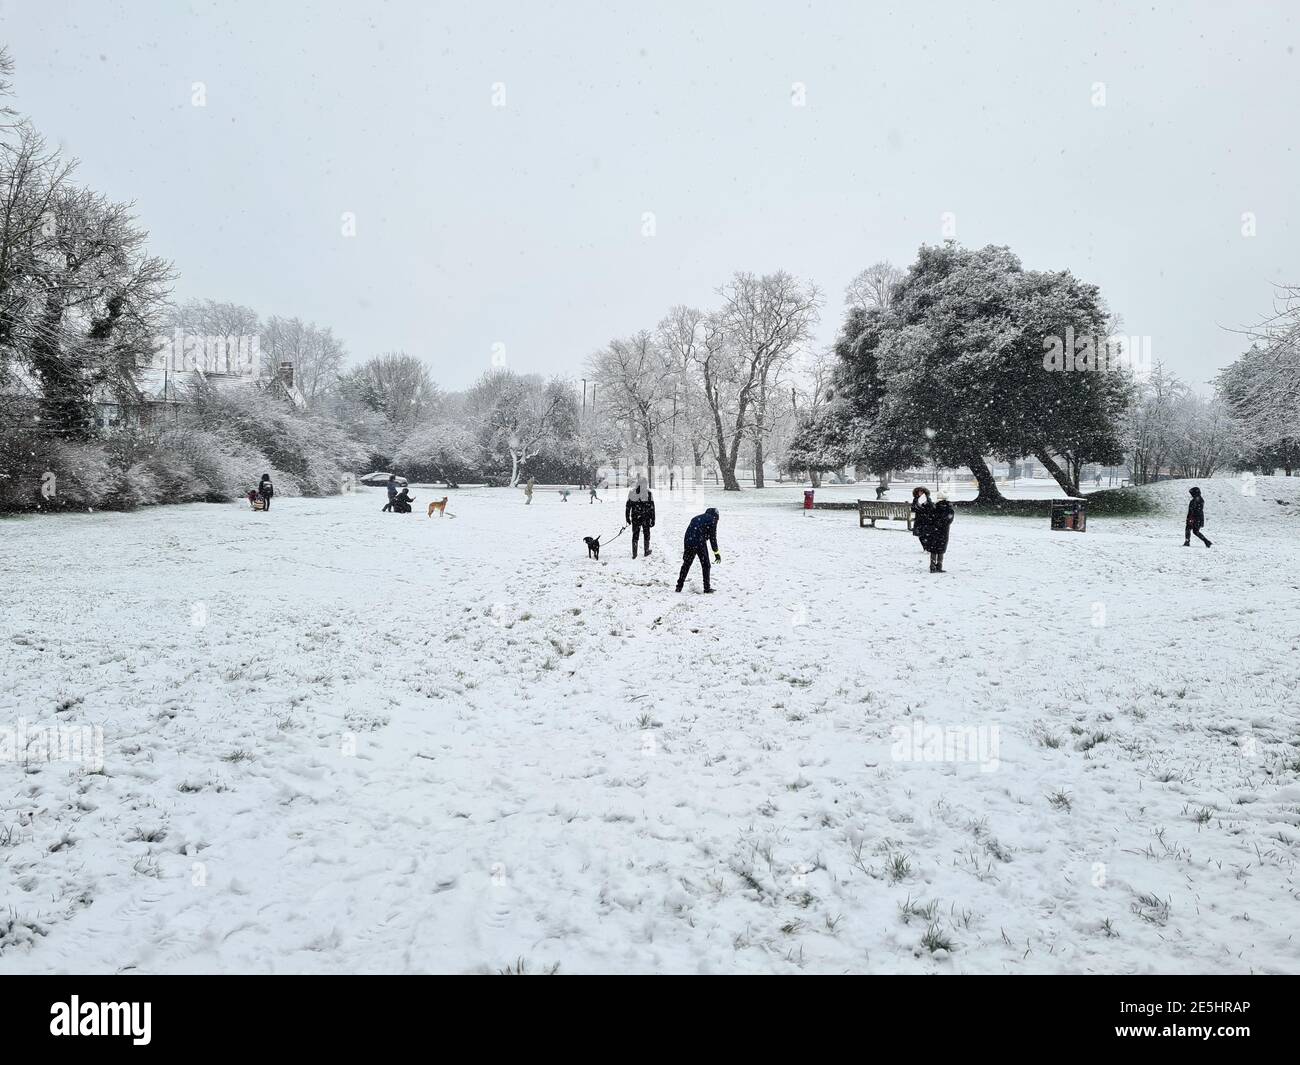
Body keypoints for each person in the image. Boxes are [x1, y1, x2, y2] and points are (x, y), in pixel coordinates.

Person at [676, 507, 720, 593]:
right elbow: (713, 538)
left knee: (686, 564)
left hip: (688, 541)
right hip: (699, 542)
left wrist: (687, 547)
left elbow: (688, 532)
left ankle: (679, 586)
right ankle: (707, 588)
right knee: (706, 565)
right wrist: (716, 553)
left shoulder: (696, 518)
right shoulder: (712, 520)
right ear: (716, 517)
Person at [625, 474, 656, 558]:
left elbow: (628, 506)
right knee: (646, 534)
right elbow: (652, 508)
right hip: (646, 517)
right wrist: (653, 519)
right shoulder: (649, 493)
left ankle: (634, 554)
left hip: (635, 517)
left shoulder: (632, 493)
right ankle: (646, 551)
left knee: (635, 535)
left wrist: (627, 517)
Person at [923, 491, 955, 572]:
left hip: (934, 531)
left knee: (933, 549)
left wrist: (935, 524)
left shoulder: (934, 508)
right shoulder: (949, 509)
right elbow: (949, 520)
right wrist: (942, 524)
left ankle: (932, 566)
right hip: (944, 532)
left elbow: (929, 519)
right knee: (941, 549)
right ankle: (939, 566)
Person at [910, 487, 933, 553]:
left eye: (922, 492)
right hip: (918, 519)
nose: (920, 493)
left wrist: (925, 504)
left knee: (926, 534)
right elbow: (913, 509)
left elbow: (931, 508)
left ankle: (927, 548)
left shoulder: (927, 499)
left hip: (926, 519)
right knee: (920, 535)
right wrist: (912, 517)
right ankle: (925, 547)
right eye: (919, 492)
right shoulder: (915, 499)